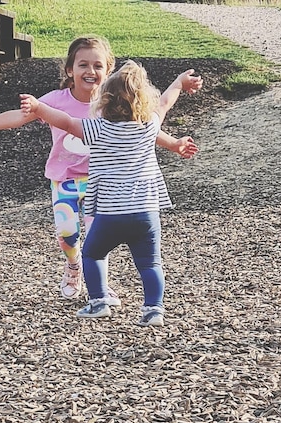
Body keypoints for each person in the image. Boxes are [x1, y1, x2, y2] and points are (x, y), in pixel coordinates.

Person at [0, 36, 198, 303]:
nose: (90, 71)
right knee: (67, 234)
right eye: (83, 65)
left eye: (98, 66)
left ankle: (99, 287)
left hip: (100, 182)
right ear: (70, 69)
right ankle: (73, 267)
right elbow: (18, 117)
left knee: (97, 237)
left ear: (108, 70)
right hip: (64, 179)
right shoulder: (55, 101)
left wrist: (173, 144)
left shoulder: (112, 104)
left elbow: (141, 130)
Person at [19, 60, 202, 327]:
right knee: (150, 263)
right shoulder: (149, 126)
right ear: (143, 103)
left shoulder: (98, 129)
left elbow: (67, 122)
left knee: (92, 254)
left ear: (103, 102)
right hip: (146, 213)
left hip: (110, 214)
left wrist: (38, 107)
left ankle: (99, 302)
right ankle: (154, 310)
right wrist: (179, 83)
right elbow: (164, 104)